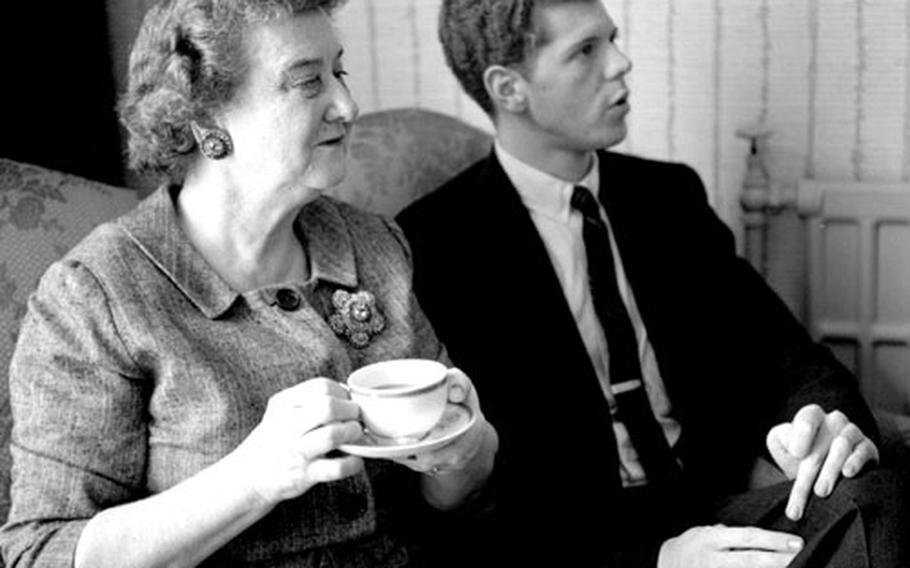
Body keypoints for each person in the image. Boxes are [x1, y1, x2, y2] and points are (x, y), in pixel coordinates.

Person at [396, 0, 909, 566]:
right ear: (509, 88)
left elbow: (787, 356)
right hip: (586, 544)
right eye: (585, 51)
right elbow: (476, 500)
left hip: (720, 504)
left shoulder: (667, 197)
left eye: (611, 40)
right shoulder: (438, 242)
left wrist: (827, 425)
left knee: (878, 500)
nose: (620, 63)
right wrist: (655, 558)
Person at [0, 1, 498, 566]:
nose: (348, 105)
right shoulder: (96, 295)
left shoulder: (377, 246)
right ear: (208, 121)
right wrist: (252, 479)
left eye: (340, 73)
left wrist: (466, 452)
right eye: (308, 82)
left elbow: (450, 509)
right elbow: (39, 553)